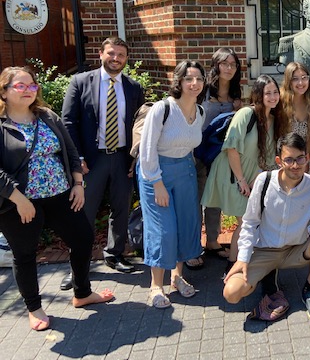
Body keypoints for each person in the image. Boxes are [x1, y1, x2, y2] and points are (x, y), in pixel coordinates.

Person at [0, 67, 114, 331]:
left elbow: (70, 151)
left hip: (60, 194)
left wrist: (78, 184)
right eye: (20, 86)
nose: (28, 90)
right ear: (4, 91)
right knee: (25, 254)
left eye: (32, 85)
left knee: (83, 238)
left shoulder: (47, 116)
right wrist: (20, 199)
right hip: (20, 203)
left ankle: (82, 293)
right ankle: (34, 307)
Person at [61, 36, 144, 290]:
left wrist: (135, 156)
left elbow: (140, 124)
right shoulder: (80, 82)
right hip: (90, 161)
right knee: (82, 213)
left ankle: (114, 254)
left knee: (120, 208)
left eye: (121, 55)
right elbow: (68, 123)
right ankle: (79, 267)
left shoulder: (134, 87)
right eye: (111, 53)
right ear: (101, 54)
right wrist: (78, 160)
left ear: (126, 59)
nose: (116, 58)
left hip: (121, 156)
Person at [223, 133, 310, 323]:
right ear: (278, 161)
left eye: (300, 158)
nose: (295, 165)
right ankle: (267, 275)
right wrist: (242, 259)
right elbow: (250, 222)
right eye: (288, 159)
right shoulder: (264, 181)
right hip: (264, 250)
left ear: (307, 158)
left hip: (295, 250)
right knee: (231, 293)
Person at [137, 61, 206, 309]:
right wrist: (157, 183)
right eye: (189, 78)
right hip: (156, 173)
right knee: (163, 230)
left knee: (186, 225)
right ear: (178, 81)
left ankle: (177, 277)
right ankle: (156, 286)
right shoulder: (162, 109)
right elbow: (147, 150)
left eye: (198, 78)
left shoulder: (200, 111)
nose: (194, 83)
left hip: (185, 170)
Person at [201, 75, 285, 268]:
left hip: (252, 175)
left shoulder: (274, 119)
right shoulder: (246, 114)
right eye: (267, 93)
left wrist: (257, 179)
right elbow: (231, 148)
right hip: (232, 173)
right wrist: (241, 180)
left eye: (275, 92)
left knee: (249, 221)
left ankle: (240, 262)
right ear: (258, 94)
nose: (272, 97)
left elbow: (269, 157)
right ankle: (234, 266)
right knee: (245, 221)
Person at [187, 48, 243, 270]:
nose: (229, 68)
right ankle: (191, 247)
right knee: (195, 200)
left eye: (233, 64)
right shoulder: (203, 92)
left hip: (219, 155)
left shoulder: (236, 95)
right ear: (216, 65)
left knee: (214, 200)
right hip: (196, 153)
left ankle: (212, 241)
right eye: (224, 63)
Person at [280, 62, 310, 155]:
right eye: (295, 79)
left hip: (301, 159)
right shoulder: (279, 102)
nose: (301, 83)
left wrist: (305, 160)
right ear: (288, 81)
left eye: (304, 78)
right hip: (281, 157)